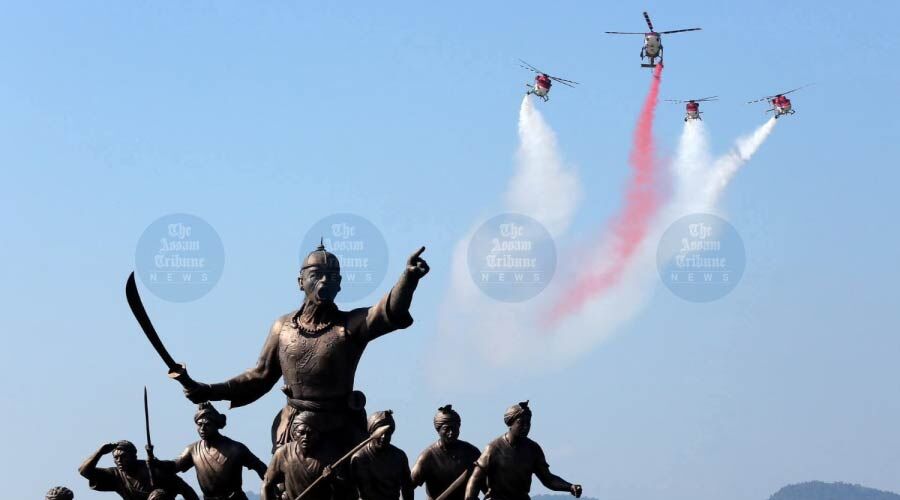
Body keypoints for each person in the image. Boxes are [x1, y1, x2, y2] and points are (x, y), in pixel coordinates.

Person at [179, 242, 429, 454]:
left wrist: (408, 278)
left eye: (331, 277)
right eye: (316, 275)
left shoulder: (350, 325)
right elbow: (259, 376)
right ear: (301, 281)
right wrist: (209, 391)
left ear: (340, 283)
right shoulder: (283, 328)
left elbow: (389, 311)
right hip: (294, 428)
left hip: (339, 430)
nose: (324, 282)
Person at [464, 402, 581, 500]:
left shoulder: (533, 449)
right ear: (511, 423)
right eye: (521, 423)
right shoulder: (493, 449)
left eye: (528, 423)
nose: (526, 427)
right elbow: (475, 480)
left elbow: (548, 479)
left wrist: (570, 487)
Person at [173, 403, 267, 500]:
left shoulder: (236, 449)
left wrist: (274, 487)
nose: (202, 429)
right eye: (199, 424)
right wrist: (157, 463)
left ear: (216, 425)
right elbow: (173, 466)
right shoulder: (193, 450)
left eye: (207, 424)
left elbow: (261, 468)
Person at [261, 411, 344, 500]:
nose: (305, 437)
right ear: (294, 434)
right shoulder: (283, 453)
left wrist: (333, 479)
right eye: (301, 433)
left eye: (310, 433)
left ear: (317, 435)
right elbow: (266, 485)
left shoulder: (327, 455)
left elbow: (345, 488)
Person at [79, 440, 199, 500]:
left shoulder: (153, 469)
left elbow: (185, 490)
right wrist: (100, 452)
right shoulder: (115, 475)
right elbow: (84, 471)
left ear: (134, 457)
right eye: (116, 458)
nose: (119, 460)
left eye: (123, 456)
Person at [411, 405, 481, 500]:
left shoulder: (472, 452)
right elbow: (408, 486)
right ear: (438, 430)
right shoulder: (428, 457)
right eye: (446, 429)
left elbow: (488, 486)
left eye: (454, 429)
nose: (451, 432)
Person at [350, 410, 413, 500]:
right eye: (380, 433)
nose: (384, 437)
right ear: (372, 432)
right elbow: (365, 492)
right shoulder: (360, 458)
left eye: (387, 433)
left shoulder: (399, 456)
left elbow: (407, 487)